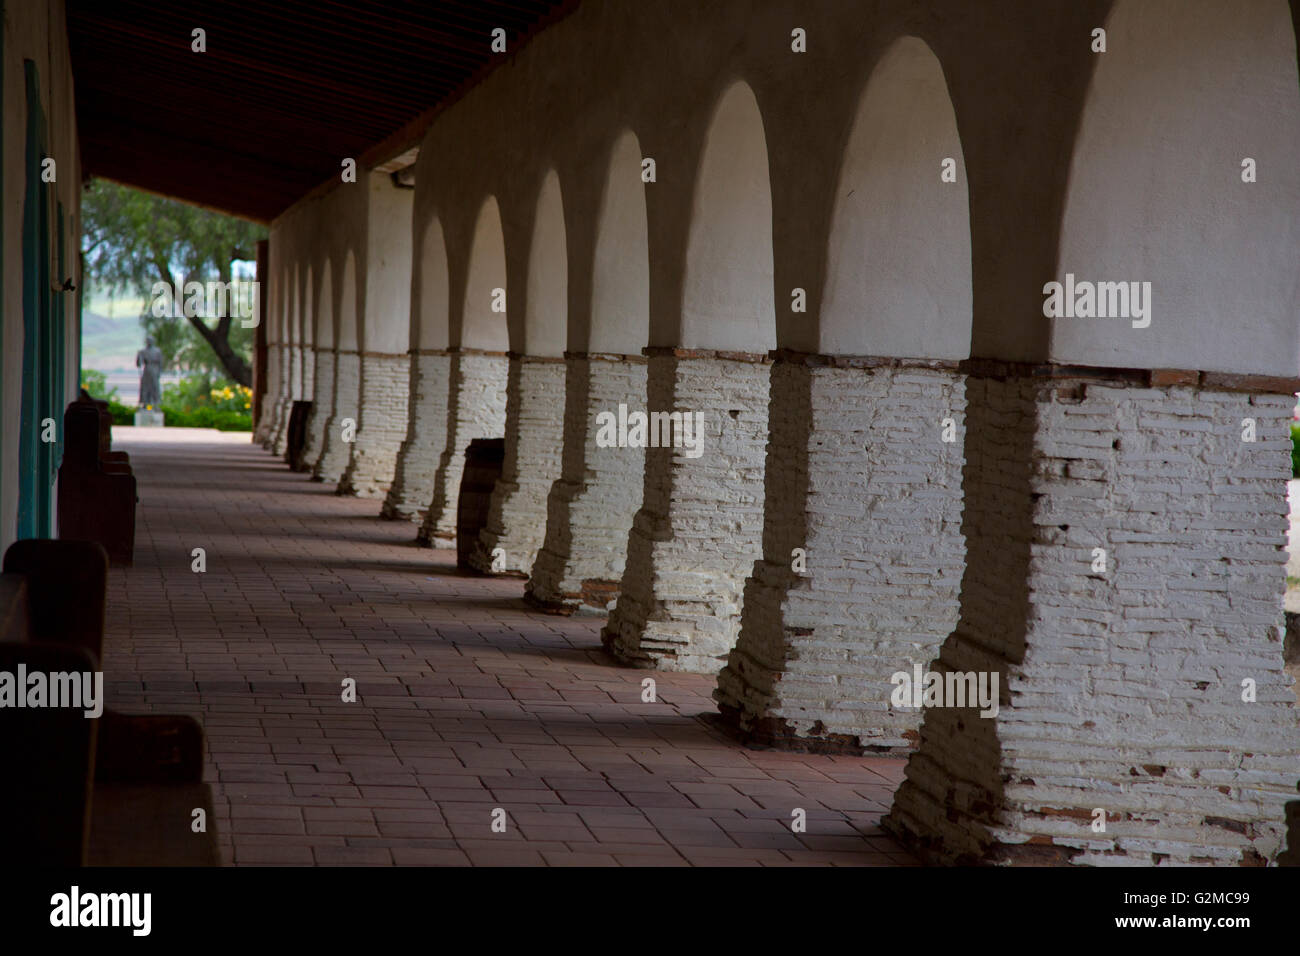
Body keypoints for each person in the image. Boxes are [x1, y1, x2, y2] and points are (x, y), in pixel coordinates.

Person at [136, 337, 163, 409]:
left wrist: (159, 372)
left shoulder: (157, 351)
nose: (149, 342)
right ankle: (146, 404)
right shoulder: (143, 351)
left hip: (154, 370)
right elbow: (139, 364)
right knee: (145, 387)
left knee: (155, 387)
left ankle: (155, 404)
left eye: (150, 341)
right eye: (148, 341)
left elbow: (160, 363)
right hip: (146, 370)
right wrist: (139, 357)